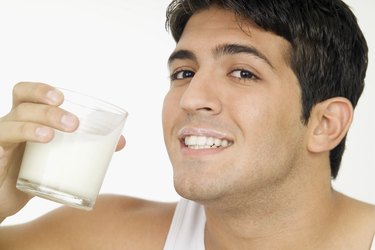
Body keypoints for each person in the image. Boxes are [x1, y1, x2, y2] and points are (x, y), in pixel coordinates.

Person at [0, 0, 374, 249]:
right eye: (184, 72)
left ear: (326, 124)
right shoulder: (105, 238)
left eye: (243, 72)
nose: (191, 98)